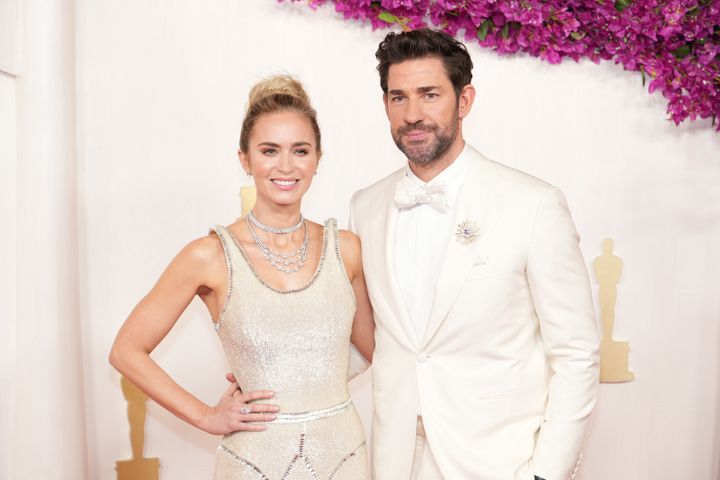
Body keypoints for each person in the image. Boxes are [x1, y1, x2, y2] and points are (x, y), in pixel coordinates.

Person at [348, 29, 600, 480]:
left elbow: (576, 352)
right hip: (395, 460)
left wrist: (547, 472)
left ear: (464, 101)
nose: (412, 114)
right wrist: (277, 376)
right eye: (399, 97)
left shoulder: (533, 204)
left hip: (500, 462)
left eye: (429, 95)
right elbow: (377, 341)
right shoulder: (365, 206)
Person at [109, 75, 374, 479]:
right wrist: (206, 416)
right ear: (245, 159)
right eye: (269, 150)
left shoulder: (347, 248)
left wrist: (316, 381)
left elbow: (378, 350)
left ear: (318, 159)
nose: (286, 166)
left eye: (300, 150)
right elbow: (126, 351)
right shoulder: (209, 255)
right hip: (254, 462)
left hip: (343, 457)